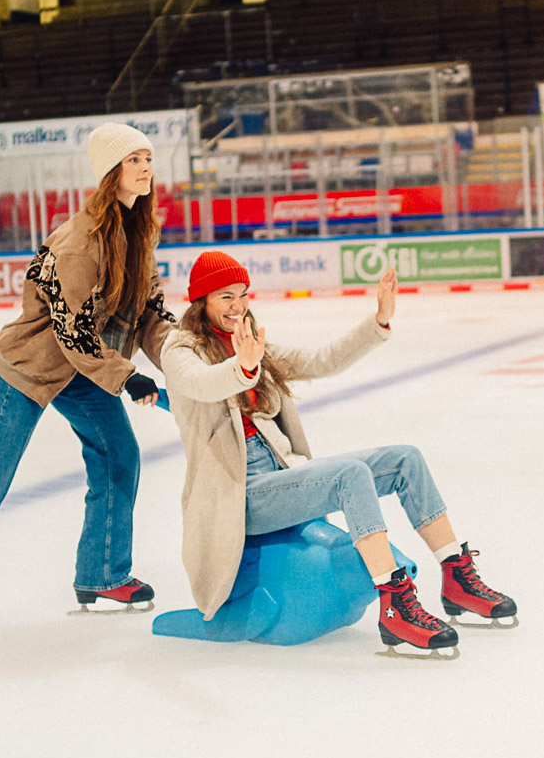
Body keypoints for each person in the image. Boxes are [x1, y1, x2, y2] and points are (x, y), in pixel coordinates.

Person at [0, 123, 176, 643]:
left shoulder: (140, 232)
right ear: (110, 171)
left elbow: (150, 310)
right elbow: (71, 333)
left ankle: (103, 575)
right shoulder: (79, 244)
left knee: (119, 455)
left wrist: (180, 356)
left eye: (148, 157)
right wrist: (128, 377)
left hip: (85, 369)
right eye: (133, 159)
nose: (145, 167)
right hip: (32, 367)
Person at [159, 251, 517, 659]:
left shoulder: (252, 342)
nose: (238, 305)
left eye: (242, 294)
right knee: (348, 475)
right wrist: (242, 368)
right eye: (225, 297)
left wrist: (377, 322)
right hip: (239, 494)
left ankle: (456, 576)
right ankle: (395, 603)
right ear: (201, 300)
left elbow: (319, 361)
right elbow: (201, 384)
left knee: (405, 458)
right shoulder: (180, 349)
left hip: (282, 474)